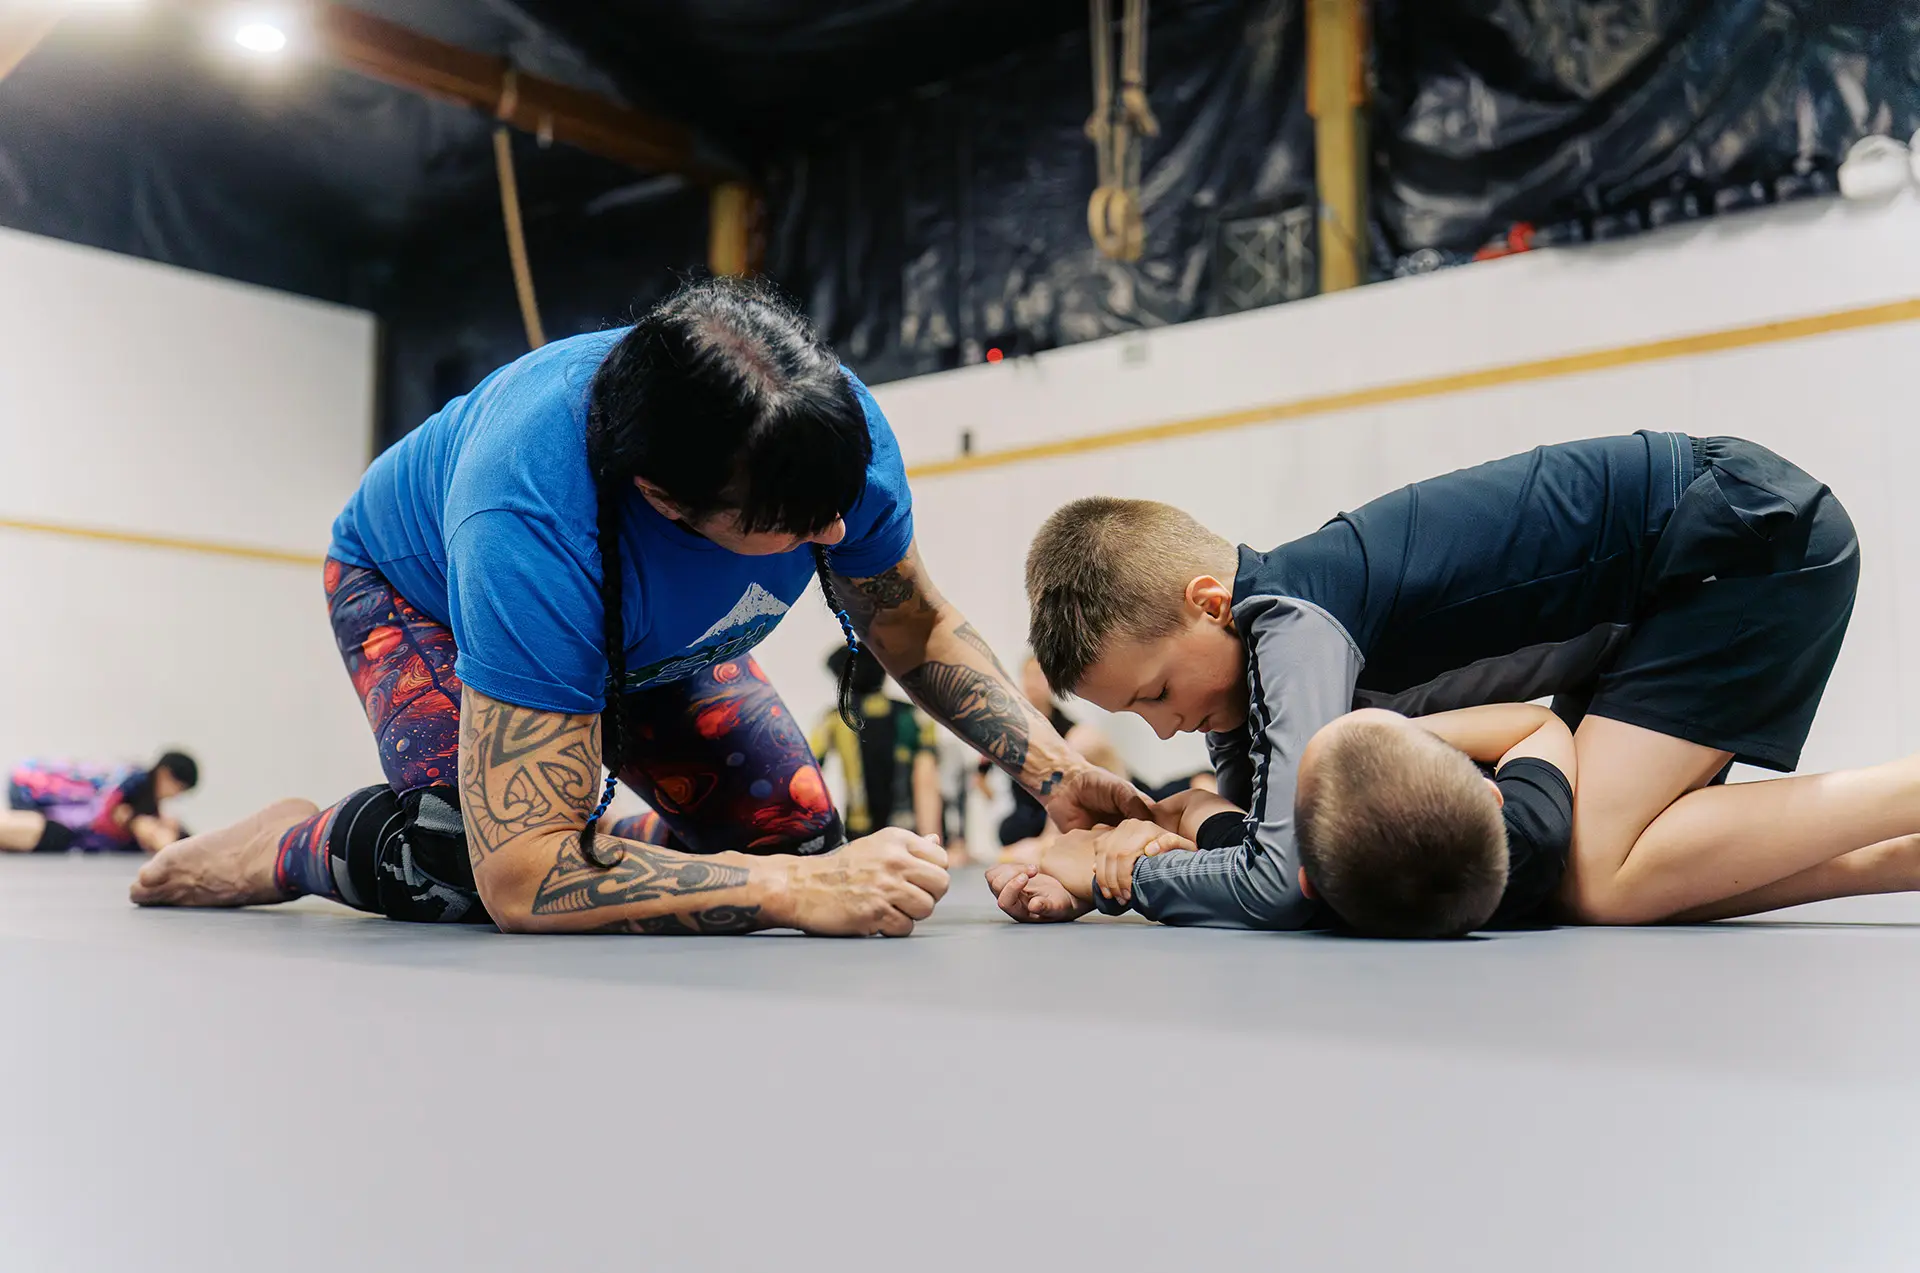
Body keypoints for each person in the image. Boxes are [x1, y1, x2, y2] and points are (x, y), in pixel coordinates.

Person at [132, 278, 1147, 937]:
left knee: (792, 834)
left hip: (658, 646)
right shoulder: (528, 507)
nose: (838, 541)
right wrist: (790, 892)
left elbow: (909, 620)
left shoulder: (826, 442)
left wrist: (1051, 767)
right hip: (424, 597)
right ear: (665, 499)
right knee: (466, 861)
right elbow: (526, 875)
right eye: (794, 526)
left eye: (837, 510)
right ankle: (295, 843)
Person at [990, 431, 1920, 933]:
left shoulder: (1292, 617)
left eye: (1156, 693)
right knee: (1587, 875)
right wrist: (1147, 824)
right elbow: (1271, 840)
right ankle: (1893, 863)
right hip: (1671, 583)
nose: (1165, 727)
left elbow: (1280, 881)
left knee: (1593, 872)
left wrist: (1137, 874)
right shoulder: (1250, 683)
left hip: (1732, 542)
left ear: (1211, 603)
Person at [980, 654, 1130, 859]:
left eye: (1038, 676)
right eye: (1028, 676)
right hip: (1030, 810)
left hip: (1059, 801)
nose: (1033, 683)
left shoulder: (1070, 728)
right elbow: (980, 772)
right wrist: (995, 804)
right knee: (1010, 829)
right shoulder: (1011, 727)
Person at [809, 647, 949, 854]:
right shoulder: (913, 717)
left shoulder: (836, 719)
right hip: (907, 832)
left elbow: (806, 774)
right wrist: (934, 847)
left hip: (859, 833)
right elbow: (926, 783)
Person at [2, 751, 198, 855]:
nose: (175, 796)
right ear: (165, 775)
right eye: (179, 789)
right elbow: (151, 835)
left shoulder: (140, 796)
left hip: (50, 815)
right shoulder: (136, 784)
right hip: (33, 790)